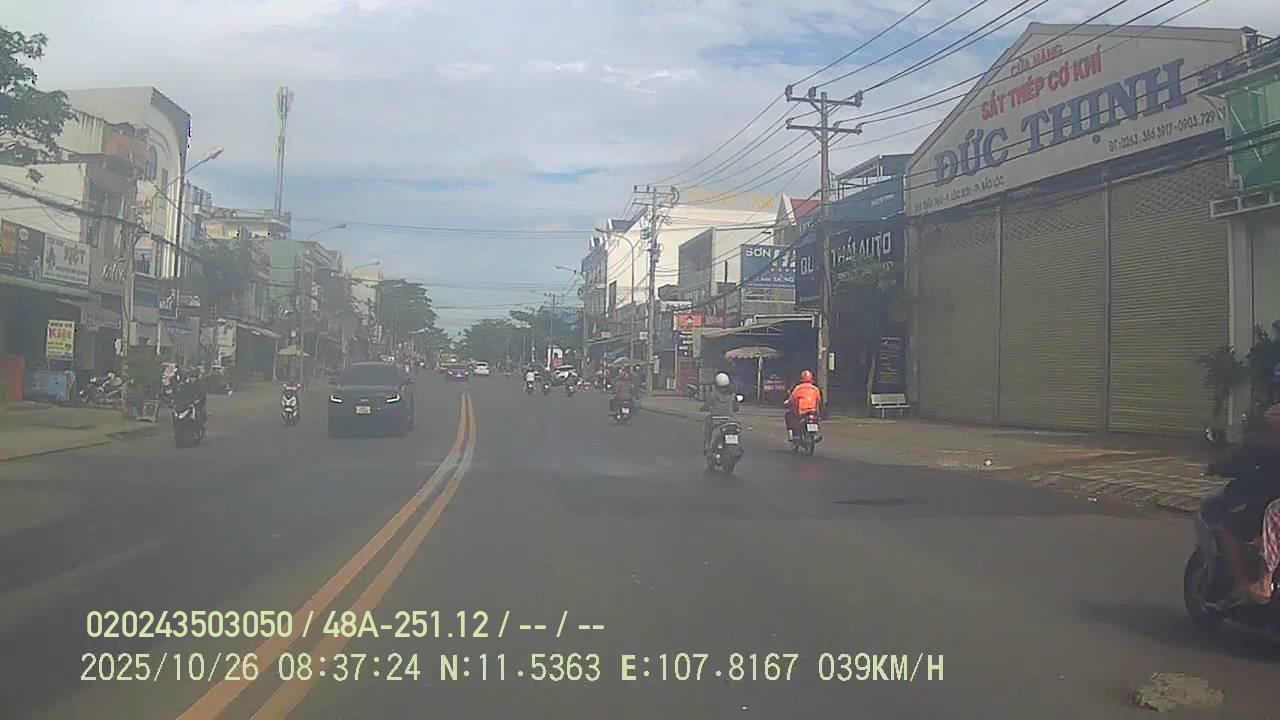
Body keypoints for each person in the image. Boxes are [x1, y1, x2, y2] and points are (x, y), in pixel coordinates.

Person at [1205, 402, 1280, 603]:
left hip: (1268, 501)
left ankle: (1244, 584)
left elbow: (1236, 460)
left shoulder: (1263, 438)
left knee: (1229, 528)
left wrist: (1215, 467)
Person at [700, 372, 739, 450]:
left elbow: (706, 406)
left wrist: (703, 408)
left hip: (715, 420)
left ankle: (708, 447)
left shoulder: (713, 395)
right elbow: (736, 408)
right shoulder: (732, 395)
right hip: (729, 420)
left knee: (708, 428)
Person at [783, 369, 822, 440]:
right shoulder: (815, 389)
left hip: (801, 412)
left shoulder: (798, 388)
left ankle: (795, 435)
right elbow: (819, 400)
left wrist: (787, 403)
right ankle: (815, 433)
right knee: (816, 419)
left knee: (789, 415)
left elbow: (791, 400)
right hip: (813, 412)